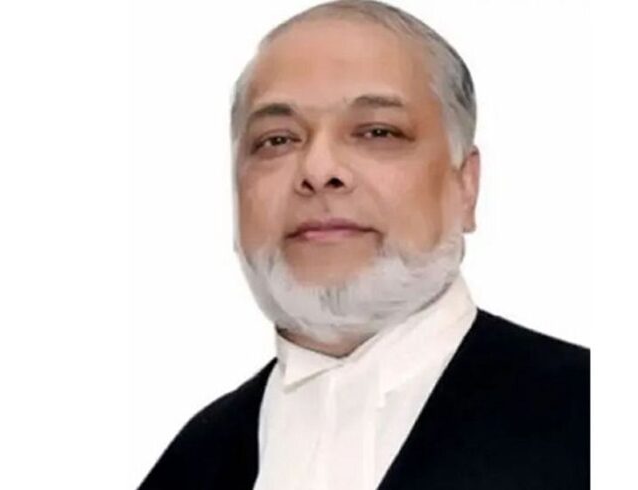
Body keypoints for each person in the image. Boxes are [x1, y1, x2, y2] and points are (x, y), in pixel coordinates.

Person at [138, 1, 589, 489]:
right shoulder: (189, 464)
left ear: (466, 185)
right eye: (277, 140)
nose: (318, 170)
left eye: (378, 132)